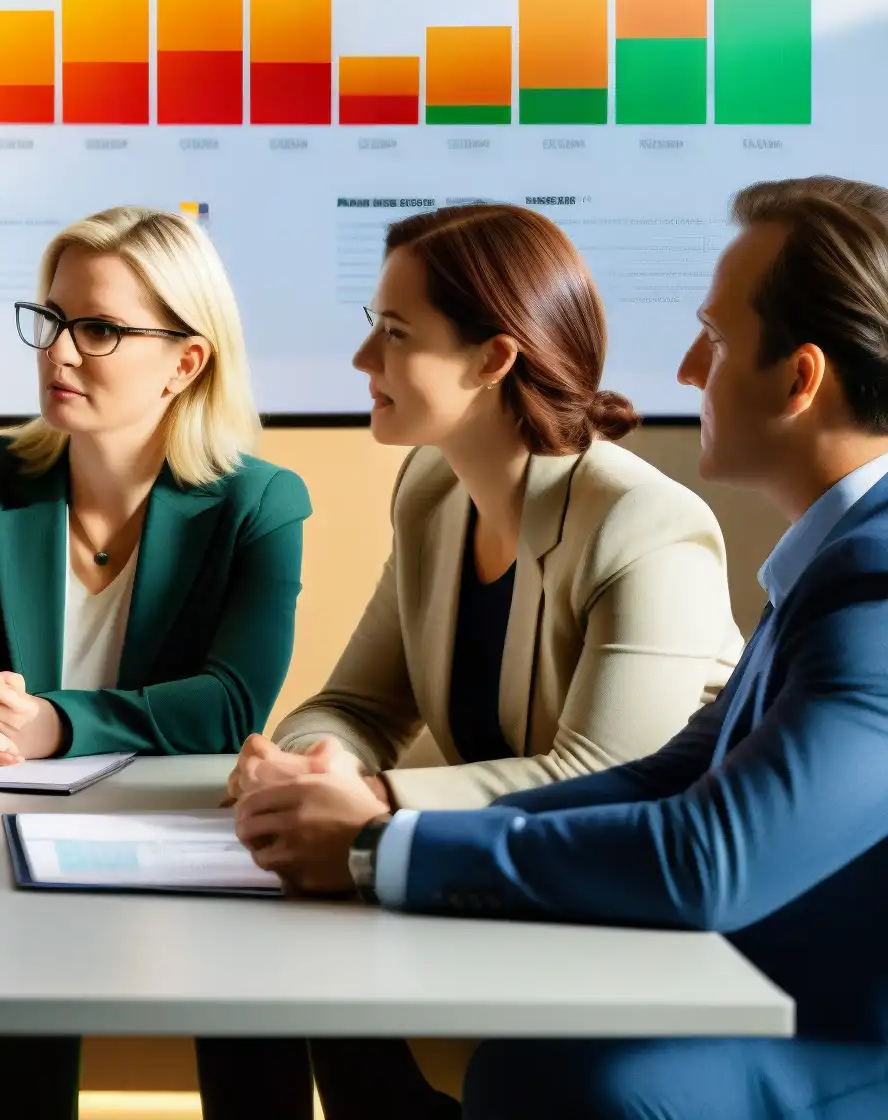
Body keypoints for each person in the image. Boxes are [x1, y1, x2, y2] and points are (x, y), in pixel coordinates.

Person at [350, 177, 888, 1118]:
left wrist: (381, 847)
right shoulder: (840, 556)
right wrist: (384, 840)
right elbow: (669, 774)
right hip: (750, 978)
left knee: (554, 1077)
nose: (686, 369)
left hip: (841, 1034)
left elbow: (708, 857)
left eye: (714, 339)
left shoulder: (875, 578)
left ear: (801, 379)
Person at [215, 203, 742, 1120]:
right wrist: (320, 760)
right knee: (311, 980)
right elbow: (356, 704)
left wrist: (372, 807)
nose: (363, 362)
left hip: (638, 933)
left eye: (395, 334)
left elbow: (606, 777)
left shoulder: (645, 524)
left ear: (494, 359)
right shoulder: (432, 489)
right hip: (495, 899)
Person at [0, 205, 312, 1120]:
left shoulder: (260, 502)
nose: (59, 353)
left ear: (186, 361)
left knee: (257, 1041)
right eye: (52, 319)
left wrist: (53, 723)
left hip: (190, 831)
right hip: (11, 823)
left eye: (100, 329)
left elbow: (229, 703)